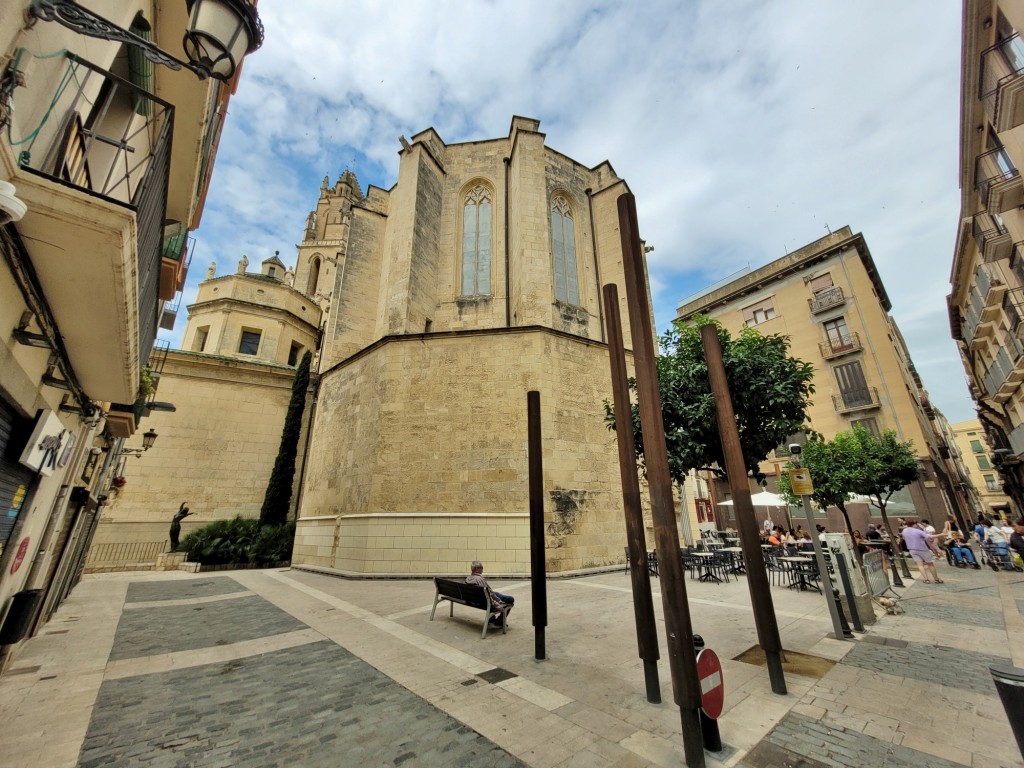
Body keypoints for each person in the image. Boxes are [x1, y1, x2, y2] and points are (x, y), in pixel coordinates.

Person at [466, 561, 514, 627]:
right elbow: (488, 597)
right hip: (485, 600)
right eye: (481, 567)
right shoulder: (479, 579)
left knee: (496, 594)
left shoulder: (468, 578)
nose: (482, 569)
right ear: (477, 568)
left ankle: (491, 619)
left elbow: (487, 594)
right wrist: (497, 605)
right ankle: (499, 622)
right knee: (510, 599)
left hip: (477, 599)